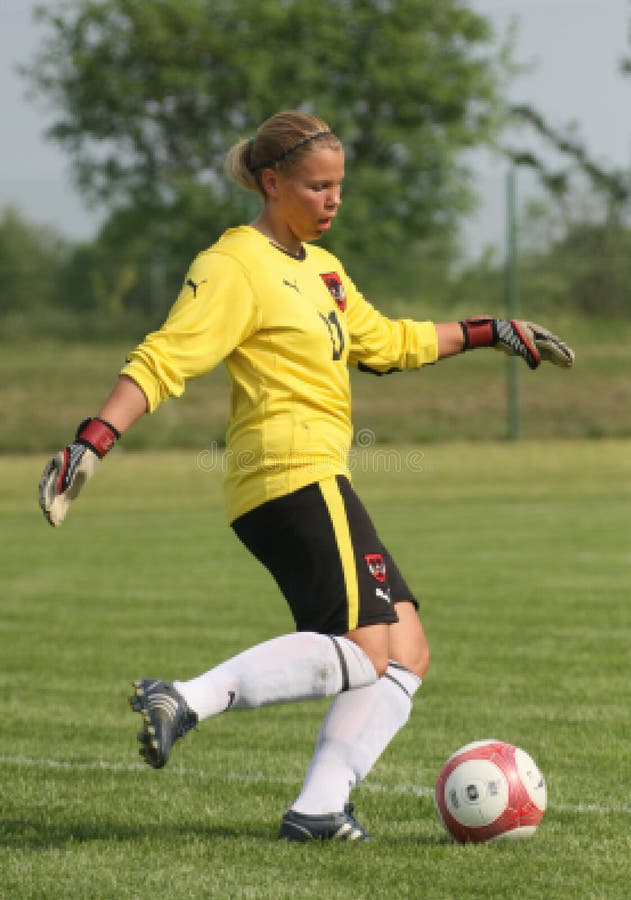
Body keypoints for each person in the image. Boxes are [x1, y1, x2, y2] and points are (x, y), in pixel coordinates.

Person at [38, 110, 574, 842]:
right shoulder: (232, 265)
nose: (333, 200)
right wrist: (90, 443)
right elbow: (165, 358)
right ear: (270, 182)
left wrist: (488, 332)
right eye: (317, 186)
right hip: (287, 473)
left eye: (339, 186)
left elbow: (386, 342)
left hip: (316, 477)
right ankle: (187, 697)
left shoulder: (322, 271)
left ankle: (320, 807)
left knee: (405, 649)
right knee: (365, 649)